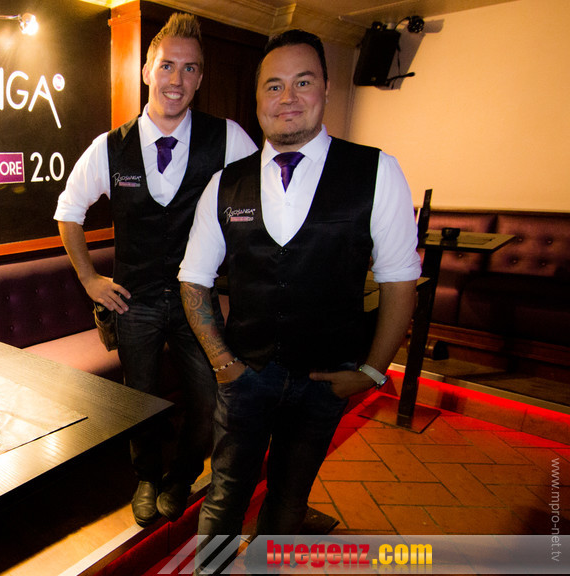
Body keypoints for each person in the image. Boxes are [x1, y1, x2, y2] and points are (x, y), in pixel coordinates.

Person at [178, 28, 421, 557]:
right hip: (246, 375)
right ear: (257, 98)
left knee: (289, 496)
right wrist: (223, 363)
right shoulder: (225, 183)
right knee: (225, 493)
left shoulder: (376, 171)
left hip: (325, 380)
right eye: (274, 85)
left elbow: (401, 280)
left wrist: (372, 372)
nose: (287, 97)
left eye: (302, 82)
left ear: (326, 89)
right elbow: (193, 279)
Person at [54, 12, 257, 527]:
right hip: (135, 301)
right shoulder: (110, 147)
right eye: (167, 65)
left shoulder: (227, 138)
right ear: (147, 70)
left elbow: (261, 195)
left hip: (197, 299)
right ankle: (146, 477)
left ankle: (183, 474)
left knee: (208, 398)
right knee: (138, 398)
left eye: (190, 69)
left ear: (200, 77)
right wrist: (89, 279)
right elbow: (68, 211)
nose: (177, 79)